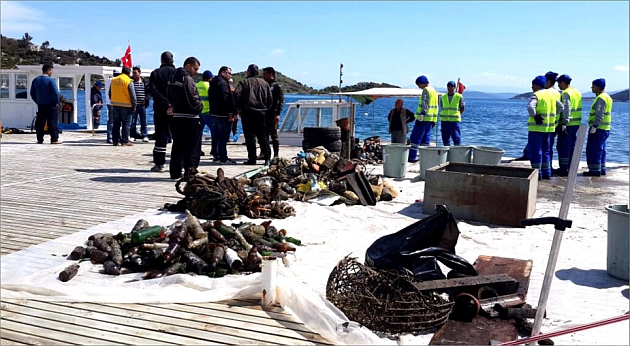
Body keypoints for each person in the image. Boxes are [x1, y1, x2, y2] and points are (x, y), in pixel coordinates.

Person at [166, 57, 204, 179]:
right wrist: (199, 107)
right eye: (195, 68)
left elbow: (168, 95)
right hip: (191, 117)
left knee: (177, 146)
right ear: (188, 65)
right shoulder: (187, 79)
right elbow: (192, 96)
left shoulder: (172, 78)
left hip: (177, 117)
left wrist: (173, 106)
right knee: (193, 147)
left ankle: (175, 171)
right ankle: (190, 171)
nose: (196, 72)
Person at [234, 64, 273, 166]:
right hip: (262, 113)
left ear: (248, 72)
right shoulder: (265, 84)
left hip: (248, 112)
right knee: (263, 136)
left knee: (250, 137)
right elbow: (270, 99)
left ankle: (252, 159)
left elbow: (236, 94)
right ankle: (267, 158)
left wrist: (238, 108)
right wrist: (266, 109)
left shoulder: (244, 82)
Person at [526, 75, 563, 180]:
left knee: (535, 151)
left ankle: (537, 174)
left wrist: (535, 116)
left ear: (536, 85)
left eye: (532, 85)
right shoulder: (551, 95)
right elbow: (561, 107)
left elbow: (530, 107)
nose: (532, 87)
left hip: (537, 128)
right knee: (546, 151)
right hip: (549, 128)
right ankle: (546, 172)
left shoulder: (537, 95)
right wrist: (553, 115)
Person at [148, 51, 176, 172]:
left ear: (161, 61)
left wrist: (165, 102)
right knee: (178, 137)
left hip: (160, 108)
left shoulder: (155, 73)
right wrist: (173, 103)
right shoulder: (177, 73)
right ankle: (177, 164)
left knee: (161, 136)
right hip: (176, 109)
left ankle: (159, 164)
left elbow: (153, 90)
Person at [554, 74, 582, 176]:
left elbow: (566, 108)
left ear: (563, 83)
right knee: (571, 146)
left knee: (563, 146)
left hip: (567, 123)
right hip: (576, 123)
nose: (558, 86)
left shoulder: (566, 93)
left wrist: (564, 123)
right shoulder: (577, 92)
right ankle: (571, 167)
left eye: (559, 83)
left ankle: (563, 168)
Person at [583, 78, 612, 177]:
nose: (591, 87)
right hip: (605, 128)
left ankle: (595, 171)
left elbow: (599, 114)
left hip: (598, 129)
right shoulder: (607, 97)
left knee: (594, 149)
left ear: (598, 87)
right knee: (601, 149)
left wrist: (594, 126)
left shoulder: (601, 98)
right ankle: (601, 168)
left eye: (593, 85)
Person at [209, 66, 237, 164]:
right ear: (223, 72)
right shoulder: (223, 84)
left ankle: (216, 155)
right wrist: (230, 113)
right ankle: (223, 158)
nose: (230, 76)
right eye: (229, 73)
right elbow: (226, 99)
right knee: (223, 138)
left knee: (215, 136)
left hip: (213, 113)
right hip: (223, 115)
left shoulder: (213, 82)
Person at [408, 75, 438, 162]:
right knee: (426, 138)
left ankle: (412, 157)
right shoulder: (434, 91)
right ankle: (425, 157)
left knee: (415, 138)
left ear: (421, 83)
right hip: (431, 118)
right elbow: (436, 105)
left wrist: (422, 114)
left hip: (423, 118)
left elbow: (425, 103)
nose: (419, 87)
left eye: (418, 85)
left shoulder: (426, 90)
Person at [30, 63, 62, 144]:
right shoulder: (51, 81)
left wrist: (37, 101)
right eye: (51, 70)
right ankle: (54, 139)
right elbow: (55, 93)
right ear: (49, 71)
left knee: (40, 122)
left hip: (41, 104)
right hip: (51, 105)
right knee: (52, 122)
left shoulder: (35, 80)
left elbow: (32, 93)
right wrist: (56, 102)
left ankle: (40, 139)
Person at [108, 66, 136, 146]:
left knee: (116, 123)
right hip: (126, 105)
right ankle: (124, 141)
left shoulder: (113, 80)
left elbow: (110, 93)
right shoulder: (128, 80)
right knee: (126, 124)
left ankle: (115, 141)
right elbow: (132, 95)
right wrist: (134, 105)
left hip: (115, 104)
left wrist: (113, 100)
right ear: (128, 73)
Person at [261, 66, 284, 159]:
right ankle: (264, 153)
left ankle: (276, 155)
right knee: (263, 135)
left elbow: (280, 101)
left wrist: (278, 113)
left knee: (274, 135)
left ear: (271, 74)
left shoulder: (277, 86)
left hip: (273, 114)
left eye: (265, 74)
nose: (263, 76)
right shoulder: (264, 84)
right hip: (264, 114)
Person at [438, 81, 466, 146]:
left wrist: (457, 115)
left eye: (451, 86)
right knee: (445, 138)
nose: (450, 88)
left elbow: (462, 107)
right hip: (444, 121)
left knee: (456, 137)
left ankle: (457, 151)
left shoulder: (459, 96)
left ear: (454, 87)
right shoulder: (443, 97)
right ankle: (447, 151)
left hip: (454, 121)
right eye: (448, 86)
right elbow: (442, 107)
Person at [544, 71, 561, 171]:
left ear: (549, 81)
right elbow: (560, 108)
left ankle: (546, 169)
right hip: (554, 123)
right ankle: (548, 167)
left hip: (546, 125)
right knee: (548, 147)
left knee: (545, 148)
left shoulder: (548, 93)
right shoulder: (557, 93)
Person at [196, 70, 213, 158]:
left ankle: (198, 150)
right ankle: (214, 150)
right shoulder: (209, 86)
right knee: (214, 132)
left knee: (198, 133)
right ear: (210, 78)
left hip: (199, 112)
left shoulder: (197, 85)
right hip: (208, 111)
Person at [130, 67, 150, 142]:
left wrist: (146, 99)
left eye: (135, 73)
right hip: (134, 105)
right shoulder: (131, 82)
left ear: (139, 73)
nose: (134, 74)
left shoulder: (144, 82)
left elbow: (149, 92)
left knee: (143, 121)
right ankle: (132, 135)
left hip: (142, 105)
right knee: (133, 121)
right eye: (133, 73)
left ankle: (144, 135)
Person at [106, 69, 121, 144]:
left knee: (111, 121)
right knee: (116, 121)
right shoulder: (114, 80)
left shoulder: (108, 80)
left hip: (109, 103)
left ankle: (110, 137)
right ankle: (114, 136)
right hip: (115, 103)